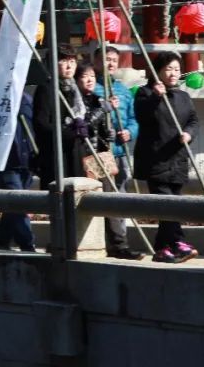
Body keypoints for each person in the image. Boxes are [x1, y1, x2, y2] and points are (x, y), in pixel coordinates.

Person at [134, 51, 199, 263]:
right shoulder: (145, 93)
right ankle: (178, 241)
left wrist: (188, 134)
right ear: (158, 71)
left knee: (173, 202)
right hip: (156, 159)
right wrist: (156, 97)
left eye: (177, 69)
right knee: (167, 203)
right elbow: (142, 116)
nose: (173, 74)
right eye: (168, 69)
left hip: (177, 158)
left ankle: (162, 248)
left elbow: (193, 120)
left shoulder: (183, 96)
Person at [74, 62, 141, 260]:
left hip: (101, 155)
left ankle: (119, 243)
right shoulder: (74, 101)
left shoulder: (99, 99)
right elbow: (82, 124)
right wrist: (101, 112)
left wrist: (109, 132)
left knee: (111, 198)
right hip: (83, 156)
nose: (89, 81)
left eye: (92, 77)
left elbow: (103, 128)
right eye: (85, 77)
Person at [0, 91, 38, 252]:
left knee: (13, 207)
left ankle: (0, 239)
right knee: (18, 203)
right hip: (7, 162)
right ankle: (27, 245)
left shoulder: (28, 99)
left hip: (26, 160)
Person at [93, 45, 139, 190]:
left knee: (121, 187)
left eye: (114, 60)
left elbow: (133, 117)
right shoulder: (91, 87)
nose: (111, 64)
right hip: (99, 150)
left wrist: (130, 132)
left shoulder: (123, 90)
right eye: (107, 60)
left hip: (120, 149)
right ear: (96, 62)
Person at [32, 47, 78, 188]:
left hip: (76, 153)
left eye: (72, 61)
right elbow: (41, 124)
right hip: (56, 155)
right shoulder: (46, 89)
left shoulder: (76, 89)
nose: (69, 66)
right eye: (63, 61)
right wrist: (69, 132)